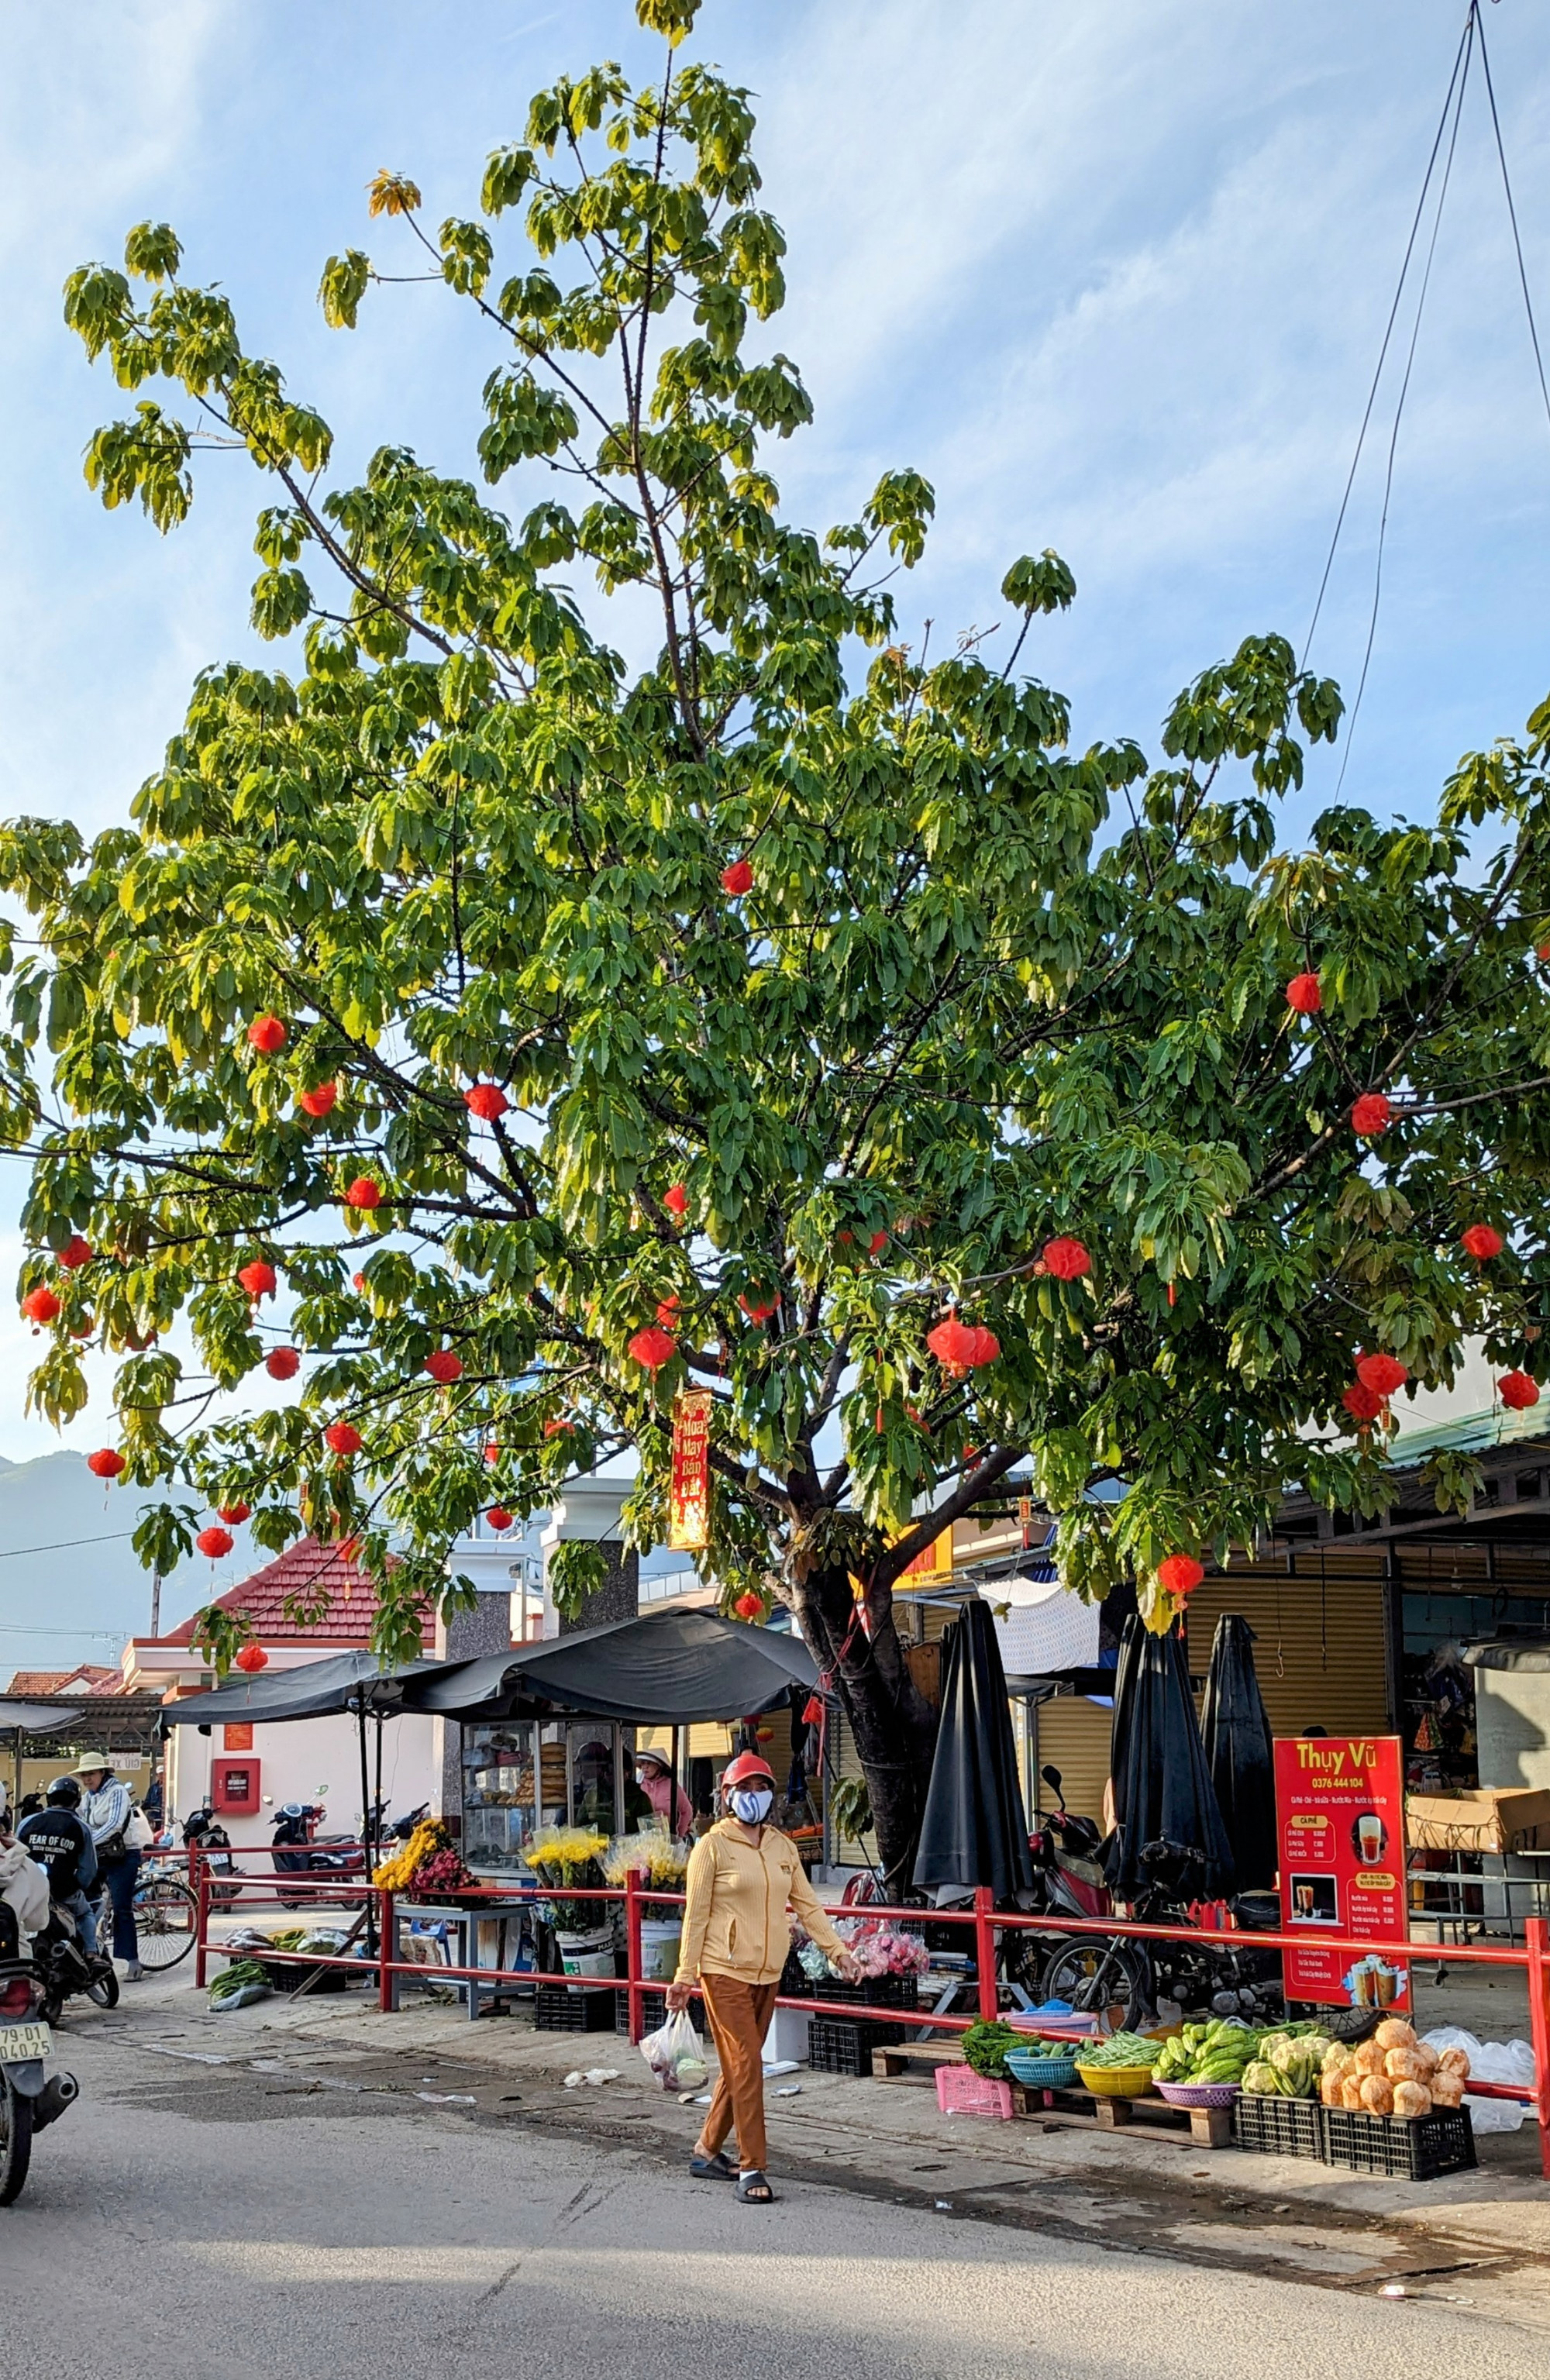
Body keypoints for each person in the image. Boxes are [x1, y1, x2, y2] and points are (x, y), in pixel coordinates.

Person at [667, 1750, 861, 2205]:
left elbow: (808, 1905)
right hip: (723, 1971)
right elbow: (694, 1918)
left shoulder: (781, 1845)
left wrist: (838, 1952)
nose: (754, 1796)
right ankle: (752, 2166)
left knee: (741, 2064)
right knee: (749, 2064)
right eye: (744, 1789)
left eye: (761, 1788)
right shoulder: (711, 1848)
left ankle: (707, 2149)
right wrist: (684, 1976)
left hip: (768, 1970)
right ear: (727, 1796)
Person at [75, 1753, 144, 1979]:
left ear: (102, 1773)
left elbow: (114, 1824)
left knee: (122, 1906)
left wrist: (86, 1844)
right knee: (84, 1900)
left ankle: (133, 1961)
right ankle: (90, 1951)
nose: (87, 1779)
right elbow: (82, 1823)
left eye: (91, 1774)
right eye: (84, 1775)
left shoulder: (117, 1792)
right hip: (99, 1854)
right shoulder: (88, 1797)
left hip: (123, 1855)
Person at [17, 1776, 99, 1953]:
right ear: (76, 1802)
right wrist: (77, 1885)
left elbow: (15, 1857)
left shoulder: (27, 1823)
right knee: (86, 1914)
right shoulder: (81, 1827)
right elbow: (88, 1870)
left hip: (28, 1892)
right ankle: (92, 1953)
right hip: (65, 1893)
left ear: (49, 1799)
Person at [635, 1748, 692, 1836]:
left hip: (666, 1839)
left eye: (648, 1763)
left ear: (658, 1765)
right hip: (643, 1841)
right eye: (643, 1763)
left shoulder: (671, 1785)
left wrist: (679, 1834)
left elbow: (687, 1810)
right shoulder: (638, 1786)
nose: (645, 1767)